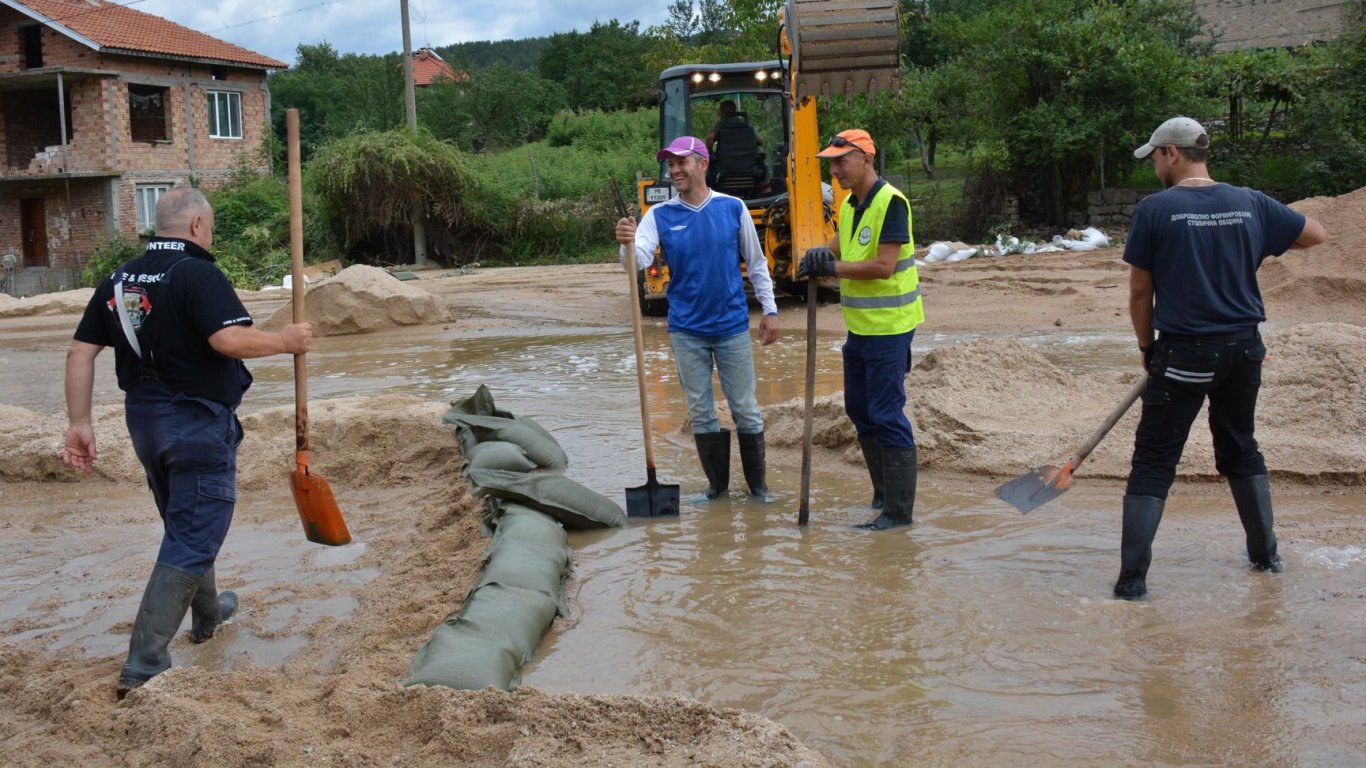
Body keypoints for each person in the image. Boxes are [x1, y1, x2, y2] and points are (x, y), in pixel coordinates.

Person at [63, 186, 313, 695]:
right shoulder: (199, 272)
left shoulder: (120, 277)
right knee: (194, 531)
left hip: (145, 423)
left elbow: (80, 353)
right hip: (195, 422)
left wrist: (79, 422)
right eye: (212, 226)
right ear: (199, 225)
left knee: (185, 518)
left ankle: (208, 612)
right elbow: (228, 340)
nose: (212, 233)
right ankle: (144, 662)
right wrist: (286, 341)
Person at [1114, 116, 1327, 600]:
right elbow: (1314, 234)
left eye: (1155, 158)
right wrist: (1258, 240)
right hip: (1245, 350)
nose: (1153, 168)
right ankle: (1266, 559)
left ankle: (1131, 585)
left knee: (1153, 462)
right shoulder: (1249, 202)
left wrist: (1149, 349)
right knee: (1240, 448)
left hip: (1184, 351)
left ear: (1172, 153)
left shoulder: (1156, 210)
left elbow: (1139, 293)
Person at [615, 135, 781, 501]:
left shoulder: (733, 207)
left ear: (702, 164)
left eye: (681, 163)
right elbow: (636, 262)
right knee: (702, 414)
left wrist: (769, 310)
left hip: (732, 327)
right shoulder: (659, 215)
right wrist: (625, 243)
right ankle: (717, 490)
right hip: (686, 330)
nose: (674, 170)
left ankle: (759, 490)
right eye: (670, 164)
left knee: (746, 411)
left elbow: (756, 265)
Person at [798, 129, 924, 531]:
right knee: (859, 409)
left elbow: (884, 267)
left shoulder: (891, 203)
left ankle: (899, 513)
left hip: (890, 328)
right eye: (831, 163)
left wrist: (831, 269)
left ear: (866, 158)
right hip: (861, 329)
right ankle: (883, 492)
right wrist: (821, 253)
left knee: (887, 413)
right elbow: (840, 244)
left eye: (841, 161)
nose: (834, 170)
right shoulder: (850, 205)